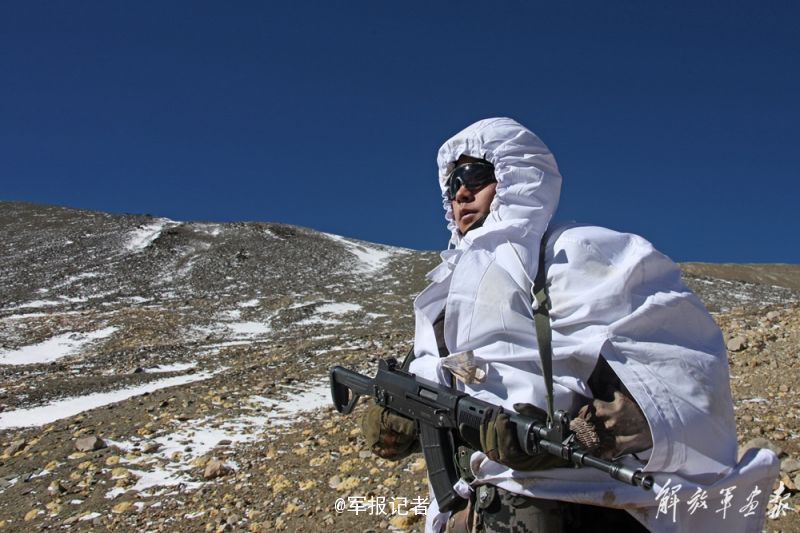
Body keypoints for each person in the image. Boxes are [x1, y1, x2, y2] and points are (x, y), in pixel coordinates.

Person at [361, 117, 778, 532]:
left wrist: (579, 437)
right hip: (468, 512)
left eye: (475, 175)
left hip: (571, 504)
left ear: (515, 174)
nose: (461, 192)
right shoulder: (441, 295)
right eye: (451, 184)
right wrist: (401, 422)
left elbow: (679, 379)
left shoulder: (574, 252)